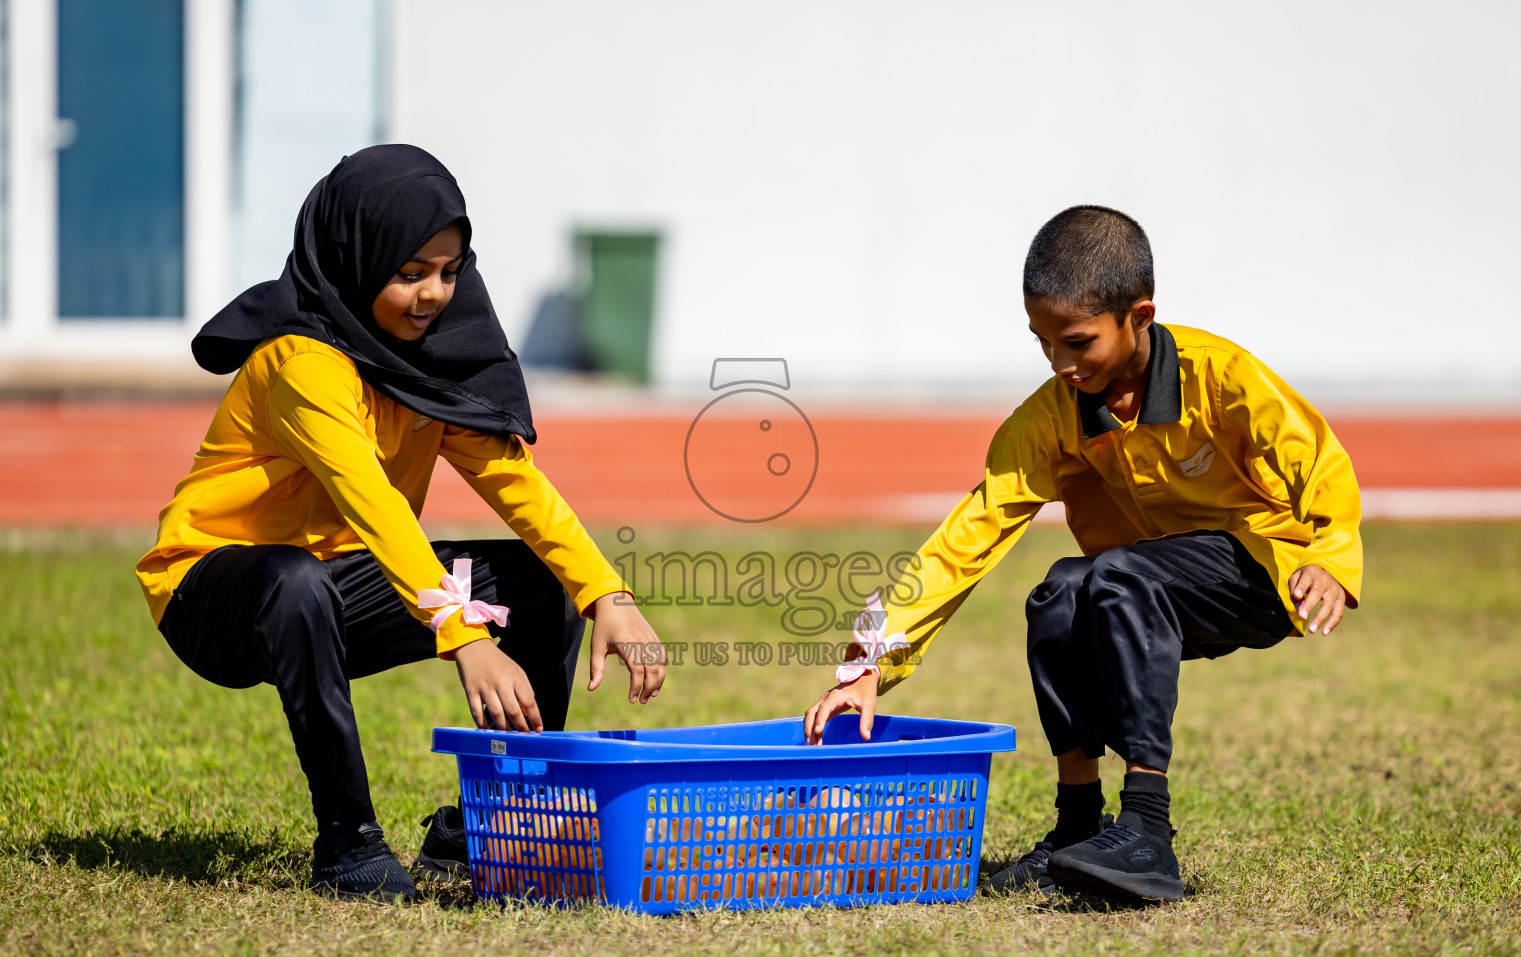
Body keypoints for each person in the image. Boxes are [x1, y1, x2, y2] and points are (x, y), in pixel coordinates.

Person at [136, 145, 667, 903]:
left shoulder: (425, 360)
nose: (433, 296)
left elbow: (515, 483)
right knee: (294, 582)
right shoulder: (301, 360)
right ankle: (348, 843)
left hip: (339, 584)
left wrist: (605, 596)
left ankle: (489, 828)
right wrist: (464, 637)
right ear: (356, 260)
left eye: (449, 273)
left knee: (538, 585)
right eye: (409, 273)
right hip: (215, 592)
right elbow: (372, 505)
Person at [802, 205, 1362, 903]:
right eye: (1042, 344)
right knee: (1060, 592)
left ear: (1140, 315)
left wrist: (1331, 559)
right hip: (1131, 590)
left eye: (1077, 342)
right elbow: (965, 540)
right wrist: (871, 664)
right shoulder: (1049, 420)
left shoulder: (1224, 378)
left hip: (1258, 575)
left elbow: (1321, 464)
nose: (1061, 365)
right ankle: (1076, 827)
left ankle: (1147, 833)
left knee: (1115, 577)